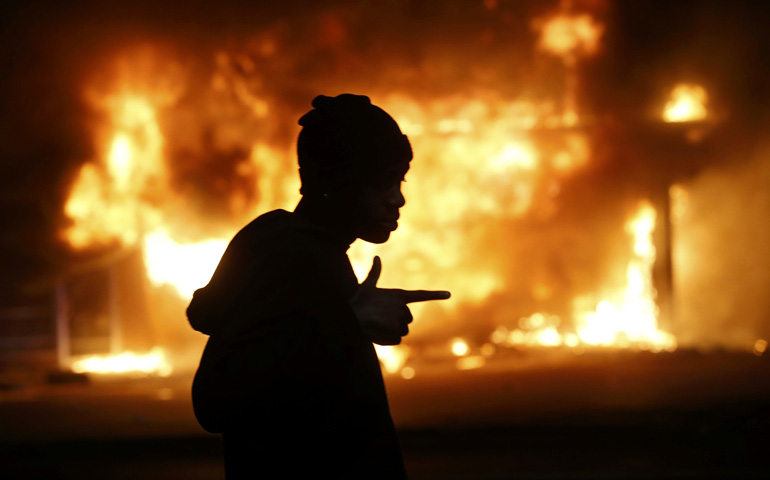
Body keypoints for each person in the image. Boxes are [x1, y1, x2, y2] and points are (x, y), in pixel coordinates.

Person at [187, 94, 450, 479]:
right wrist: (348, 320)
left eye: (399, 180)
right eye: (381, 183)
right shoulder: (295, 256)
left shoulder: (293, 246)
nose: (398, 199)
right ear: (336, 182)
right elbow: (217, 398)